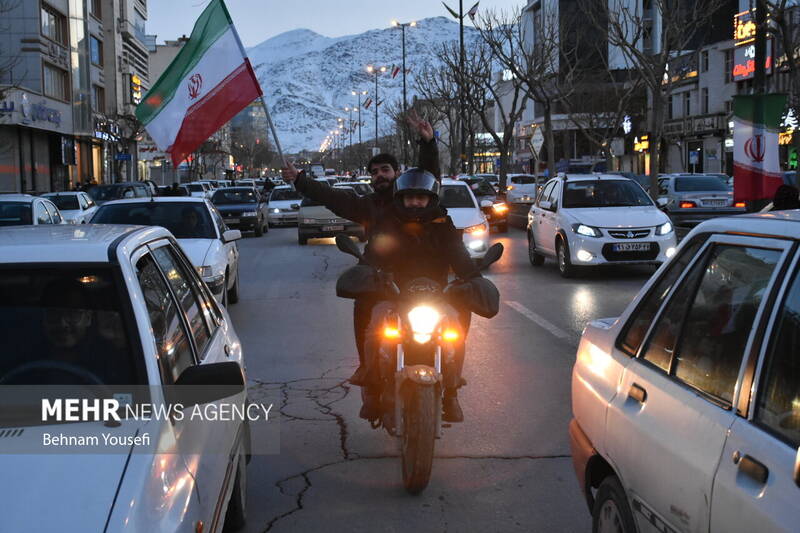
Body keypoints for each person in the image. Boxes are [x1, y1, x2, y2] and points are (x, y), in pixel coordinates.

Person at [281, 110, 441, 384]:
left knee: (452, 323)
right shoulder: (367, 205)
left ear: (398, 172)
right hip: (382, 277)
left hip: (423, 277)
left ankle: (450, 384)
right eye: (375, 172)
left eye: (385, 170)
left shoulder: (417, 198)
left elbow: (429, 174)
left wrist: (427, 143)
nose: (380, 176)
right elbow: (331, 196)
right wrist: (299, 180)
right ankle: (367, 367)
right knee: (363, 308)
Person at [353, 168, 488, 424]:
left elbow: (459, 255)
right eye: (409, 197)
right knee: (375, 327)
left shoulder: (443, 225)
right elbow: (373, 255)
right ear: (400, 198)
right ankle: (372, 387)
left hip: (436, 296)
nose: (415, 202)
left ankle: (451, 391)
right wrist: (367, 272)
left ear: (431, 199)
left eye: (421, 197)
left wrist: (473, 278)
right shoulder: (388, 224)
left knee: (456, 327)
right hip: (393, 294)